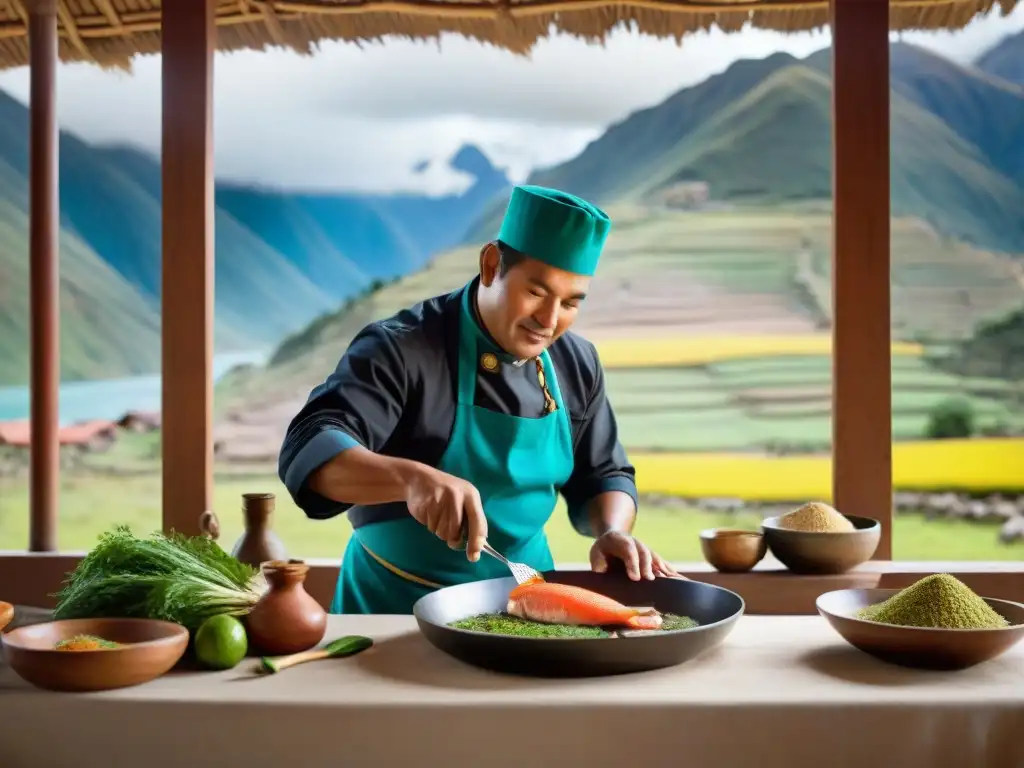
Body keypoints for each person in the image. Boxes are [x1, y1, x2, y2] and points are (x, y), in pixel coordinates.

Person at [278, 184, 679, 614]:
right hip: (393, 606)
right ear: (491, 265)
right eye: (537, 293)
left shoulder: (577, 362)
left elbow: (604, 474)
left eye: (569, 303)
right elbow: (310, 448)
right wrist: (412, 480)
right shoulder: (402, 348)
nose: (548, 320)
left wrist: (611, 530)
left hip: (526, 605)